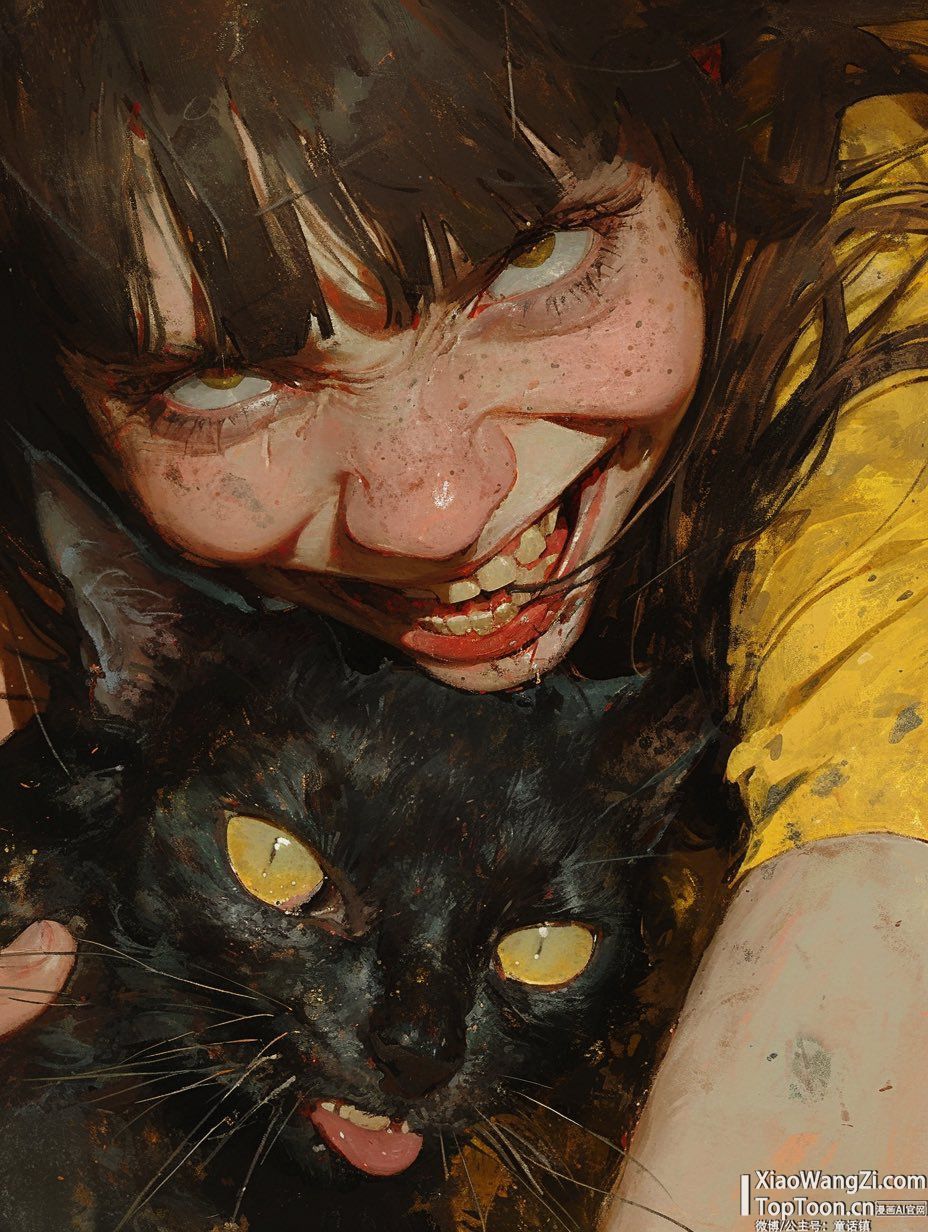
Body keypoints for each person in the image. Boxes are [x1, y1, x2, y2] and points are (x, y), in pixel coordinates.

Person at [1, 3, 928, 1228]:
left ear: (696, 118)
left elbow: (874, 926)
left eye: (536, 256)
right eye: (219, 375)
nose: (434, 511)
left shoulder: (882, 349)